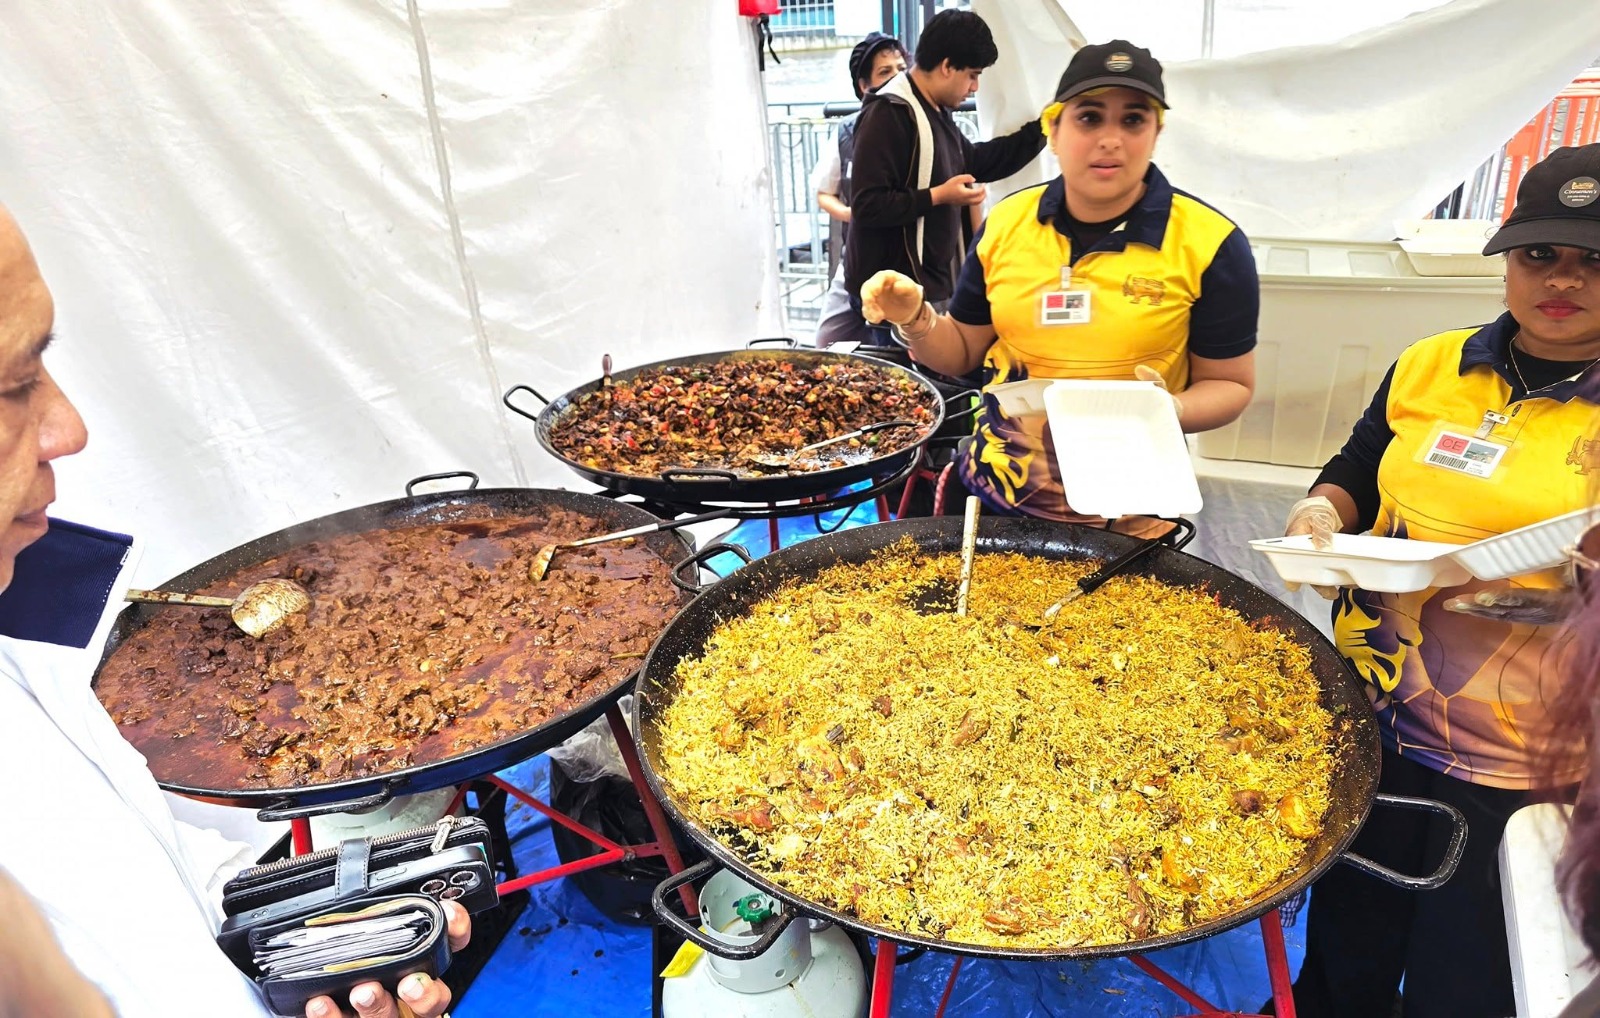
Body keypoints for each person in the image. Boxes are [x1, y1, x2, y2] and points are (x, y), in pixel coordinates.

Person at [0, 204, 469, 1018]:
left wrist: (299, 935)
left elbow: (151, 872)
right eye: (12, 385)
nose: (69, 429)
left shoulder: (24, 646)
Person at [1274, 144, 1600, 1018]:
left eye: (1594, 259)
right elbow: (1357, 463)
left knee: (1472, 979)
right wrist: (1320, 517)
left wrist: (1558, 600)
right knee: (1348, 951)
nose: (1561, 279)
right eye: (1540, 254)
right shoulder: (1432, 364)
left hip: (1526, 763)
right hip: (1373, 718)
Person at [860, 40, 1258, 528]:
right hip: (996, 504)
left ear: (1156, 132)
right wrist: (914, 317)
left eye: (1133, 119)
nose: (1110, 138)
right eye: (1089, 117)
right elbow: (961, 352)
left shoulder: (1211, 243)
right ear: (1054, 129)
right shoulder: (1006, 225)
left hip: (1128, 519)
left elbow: (1230, 385)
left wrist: (1168, 407)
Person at [843, 8, 1049, 345]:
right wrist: (939, 196)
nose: (975, 87)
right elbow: (867, 204)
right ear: (947, 66)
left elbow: (976, 161)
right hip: (893, 294)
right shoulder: (890, 112)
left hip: (929, 283)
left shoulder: (934, 111)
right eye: (972, 75)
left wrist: (1041, 131)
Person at [809, 32, 908, 349]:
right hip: (855, 259)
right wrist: (855, 214)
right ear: (863, 86)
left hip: (904, 264)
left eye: (900, 68)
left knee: (893, 347)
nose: (897, 77)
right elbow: (824, 192)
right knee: (827, 341)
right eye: (884, 71)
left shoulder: (923, 130)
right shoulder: (847, 132)